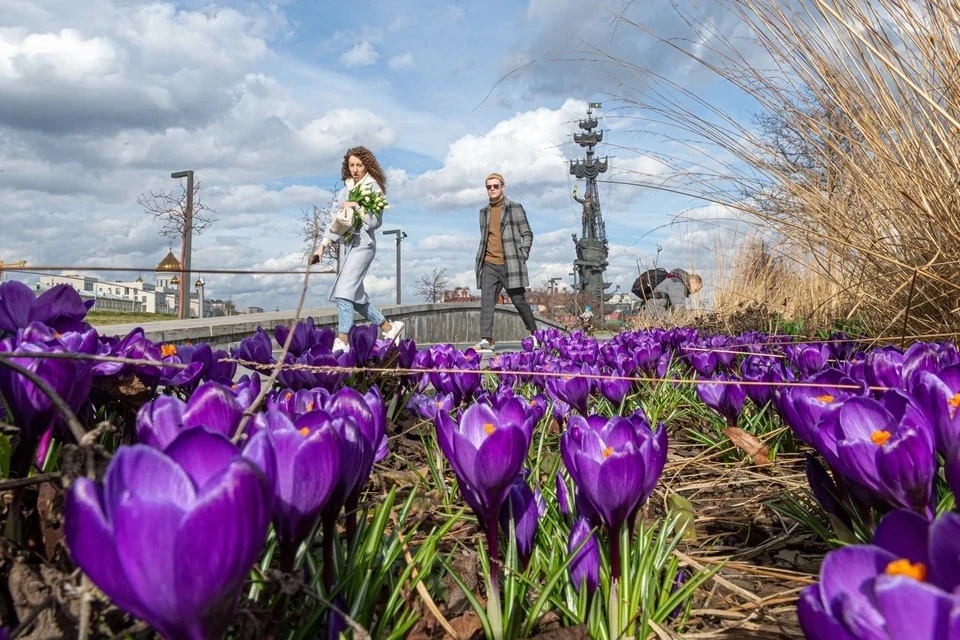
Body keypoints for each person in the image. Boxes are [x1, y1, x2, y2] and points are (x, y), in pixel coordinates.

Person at [313, 146, 403, 353]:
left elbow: (374, 222)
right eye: (351, 165)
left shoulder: (373, 188)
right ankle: (390, 328)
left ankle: (342, 340)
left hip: (364, 246)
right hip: (346, 247)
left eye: (359, 165)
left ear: (367, 166)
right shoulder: (344, 190)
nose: (355, 169)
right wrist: (322, 246)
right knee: (355, 297)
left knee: (343, 291)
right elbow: (336, 222)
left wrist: (357, 206)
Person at [473, 173, 538, 352]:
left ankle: (535, 335)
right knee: (486, 301)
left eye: (495, 186)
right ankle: (487, 340)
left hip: (510, 263)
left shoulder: (514, 208)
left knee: (519, 300)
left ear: (503, 187)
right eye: (489, 187)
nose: (492, 189)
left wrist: (522, 254)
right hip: (488, 263)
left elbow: (527, 234)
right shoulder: (483, 212)